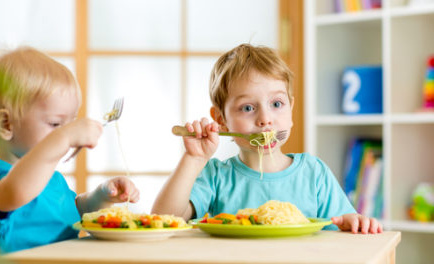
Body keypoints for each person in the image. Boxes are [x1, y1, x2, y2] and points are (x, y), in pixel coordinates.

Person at [152, 43, 382, 234]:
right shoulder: (216, 176)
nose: (265, 119)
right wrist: (193, 159)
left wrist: (356, 221)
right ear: (221, 119)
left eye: (276, 104)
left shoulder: (314, 173)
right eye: (248, 107)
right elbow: (163, 220)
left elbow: (343, 223)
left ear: (291, 108)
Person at [0, 47, 140, 253]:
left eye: (70, 123)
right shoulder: (1, 179)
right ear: (7, 125)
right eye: (55, 124)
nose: (67, 134)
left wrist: (101, 196)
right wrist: (63, 137)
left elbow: (77, 210)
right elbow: (16, 191)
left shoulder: (53, 180)